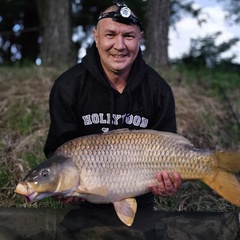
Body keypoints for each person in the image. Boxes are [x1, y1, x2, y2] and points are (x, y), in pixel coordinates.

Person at [44, 1, 181, 211]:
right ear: (96, 37)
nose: (119, 45)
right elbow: (57, 154)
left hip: (140, 201)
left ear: (139, 39)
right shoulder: (69, 87)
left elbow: (172, 151)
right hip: (83, 205)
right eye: (110, 35)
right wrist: (61, 188)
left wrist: (170, 183)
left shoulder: (158, 90)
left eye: (128, 36)